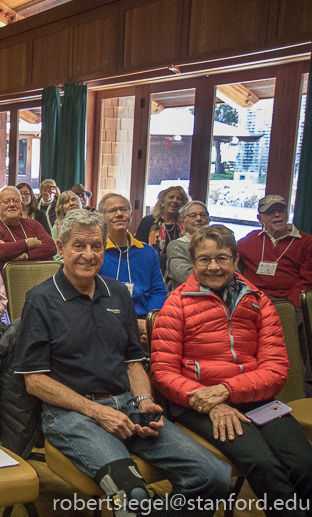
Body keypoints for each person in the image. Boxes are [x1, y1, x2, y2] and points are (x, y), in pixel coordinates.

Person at [15, 209, 232, 515]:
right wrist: (98, 412)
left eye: (97, 246)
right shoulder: (41, 299)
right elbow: (34, 380)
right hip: (73, 415)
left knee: (214, 477)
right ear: (61, 248)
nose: (89, 255)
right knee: (133, 497)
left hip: (129, 406)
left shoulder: (117, 293)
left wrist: (144, 400)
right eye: (79, 246)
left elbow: (133, 361)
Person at [152, 224, 312, 517]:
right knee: (264, 464)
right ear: (193, 261)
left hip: (256, 398)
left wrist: (227, 389)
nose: (213, 266)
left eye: (222, 258)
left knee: (304, 463)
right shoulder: (176, 304)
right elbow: (163, 371)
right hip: (196, 402)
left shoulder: (258, 299)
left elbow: (277, 368)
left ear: (235, 260)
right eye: (204, 259)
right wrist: (207, 398)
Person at [238, 194, 312, 396]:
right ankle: (252, 381)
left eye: (281, 210)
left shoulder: (306, 242)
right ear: (260, 218)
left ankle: (297, 387)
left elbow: (308, 280)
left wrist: (288, 305)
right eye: (270, 212)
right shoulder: (251, 240)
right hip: (255, 301)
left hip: (289, 303)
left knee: (293, 330)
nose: (277, 214)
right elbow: (228, 256)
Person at [98, 193, 167, 337]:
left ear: (131, 215)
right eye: (112, 210)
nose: (119, 214)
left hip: (144, 320)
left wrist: (150, 321)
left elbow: (158, 291)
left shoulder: (147, 252)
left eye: (123, 209)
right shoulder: (97, 252)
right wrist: (132, 324)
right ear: (101, 217)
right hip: (107, 321)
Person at [0, 187, 57, 271]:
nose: (12, 204)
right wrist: (27, 243)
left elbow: (51, 247)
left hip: (40, 276)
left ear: (21, 205)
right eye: (6, 202)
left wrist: (22, 255)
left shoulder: (34, 224)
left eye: (16, 201)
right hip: (8, 280)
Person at [164, 200, 210, 293]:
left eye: (203, 215)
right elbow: (185, 276)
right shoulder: (176, 246)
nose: (198, 218)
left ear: (209, 220)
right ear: (182, 223)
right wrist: (218, 278)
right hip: (185, 298)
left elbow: (234, 273)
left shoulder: (221, 244)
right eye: (193, 215)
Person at [135, 185, 189, 262]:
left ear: (182, 203)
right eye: (171, 197)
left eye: (179, 199)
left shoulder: (185, 224)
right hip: (151, 266)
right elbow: (138, 249)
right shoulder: (148, 221)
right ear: (162, 201)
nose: (174, 201)